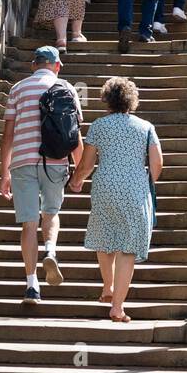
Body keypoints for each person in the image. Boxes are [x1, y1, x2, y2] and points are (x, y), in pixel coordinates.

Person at [68, 76, 162, 322]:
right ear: (132, 101)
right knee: (128, 248)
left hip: (105, 185)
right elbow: (157, 165)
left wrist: (77, 179)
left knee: (104, 234)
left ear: (107, 100)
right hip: (134, 187)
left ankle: (108, 286)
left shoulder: (99, 125)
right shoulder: (145, 127)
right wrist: (146, 181)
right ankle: (117, 307)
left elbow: (87, 164)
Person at [0, 46, 83, 303]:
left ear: (34, 64)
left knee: (29, 223)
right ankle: (50, 250)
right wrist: (79, 172)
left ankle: (32, 284)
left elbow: (7, 136)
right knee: (51, 212)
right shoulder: (68, 88)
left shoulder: (18, 89)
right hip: (55, 160)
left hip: (23, 161)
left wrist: (4, 173)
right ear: (56, 66)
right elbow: (74, 134)